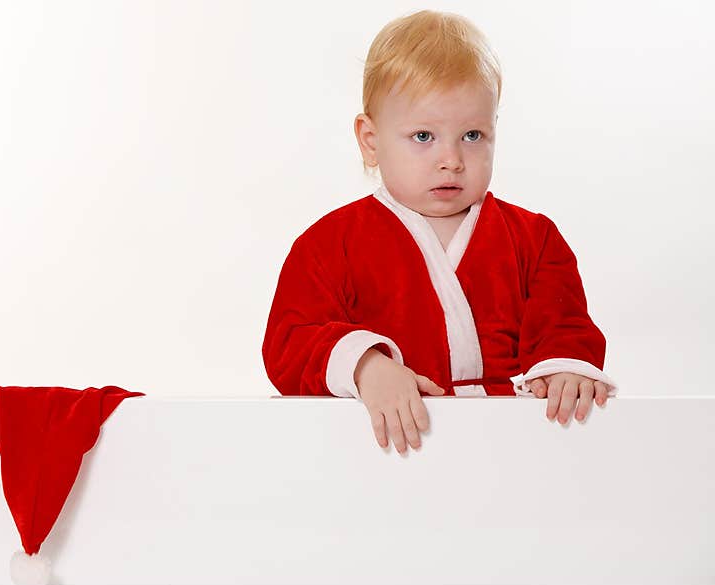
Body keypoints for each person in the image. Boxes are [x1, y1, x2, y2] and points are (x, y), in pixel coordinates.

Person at [261, 10, 618, 455]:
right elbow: (289, 340)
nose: (451, 158)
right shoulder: (328, 244)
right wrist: (366, 367)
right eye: (424, 136)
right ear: (370, 141)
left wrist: (566, 371)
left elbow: (564, 326)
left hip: (511, 447)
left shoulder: (535, 238)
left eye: (472, 135)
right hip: (383, 452)